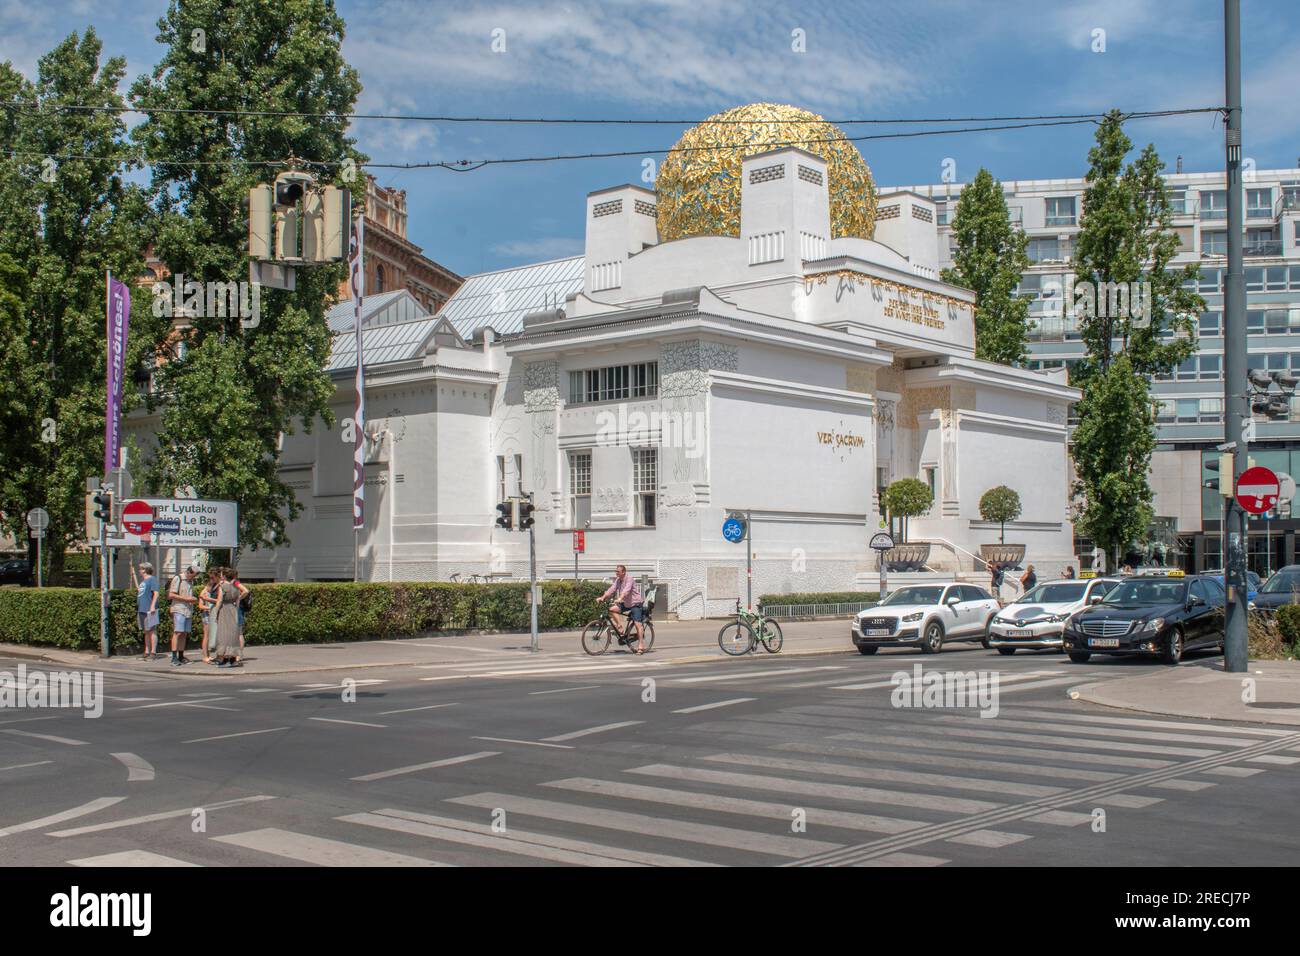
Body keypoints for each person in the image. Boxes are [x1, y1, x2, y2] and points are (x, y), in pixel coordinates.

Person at [596, 565, 646, 654]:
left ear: (623, 572)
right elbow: (611, 589)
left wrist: (620, 598)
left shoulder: (629, 579)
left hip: (635, 603)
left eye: (618, 571)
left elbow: (626, 590)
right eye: (616, 571)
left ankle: (641, 645)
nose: (616, 573)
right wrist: (602, 597)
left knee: (637, 623)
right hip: (627, 604)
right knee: (612, 609)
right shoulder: (618, 581)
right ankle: (620, 627)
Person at [211, 567, 245, 667]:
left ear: (225, 576)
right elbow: (238, 599)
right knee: (232, 635)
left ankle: (225, 660)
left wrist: (216, 612)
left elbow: (219, 600)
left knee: (223, 635)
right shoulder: (235, 586)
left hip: (224, 610)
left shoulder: (223, 587)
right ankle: (233, 659)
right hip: (233, 610)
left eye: (222, 574)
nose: (221, 575)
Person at [167, 566, 198, 666]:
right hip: (179, 609)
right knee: (178, 632)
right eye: (193, 576)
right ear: (188, 572)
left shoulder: (190, 581)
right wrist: (187, 599)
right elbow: (171, 595)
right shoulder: (178, 578)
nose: (193, 578)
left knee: (184, 633)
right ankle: (174, 658)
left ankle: (181, 656)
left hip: (188, 610)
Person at [134, 561, 160, 661]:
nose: (139, 570)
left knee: (152, 630)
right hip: (142, 609)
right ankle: (146, 651)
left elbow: (156, 593)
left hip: (149, 609)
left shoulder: (152, 579)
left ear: (145, 570)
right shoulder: (143, 581)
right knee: (146, 631)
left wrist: (153, 606)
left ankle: (153, 652)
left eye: (141, 569)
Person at [196, 569, 220, 664]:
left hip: (213, 614)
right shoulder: (204, 592)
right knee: (206, 635)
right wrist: (209, 608)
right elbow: (200, 605)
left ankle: (209, 655)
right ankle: (205, 656)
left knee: (213, 635)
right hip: (207, 615)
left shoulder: (214, 589)